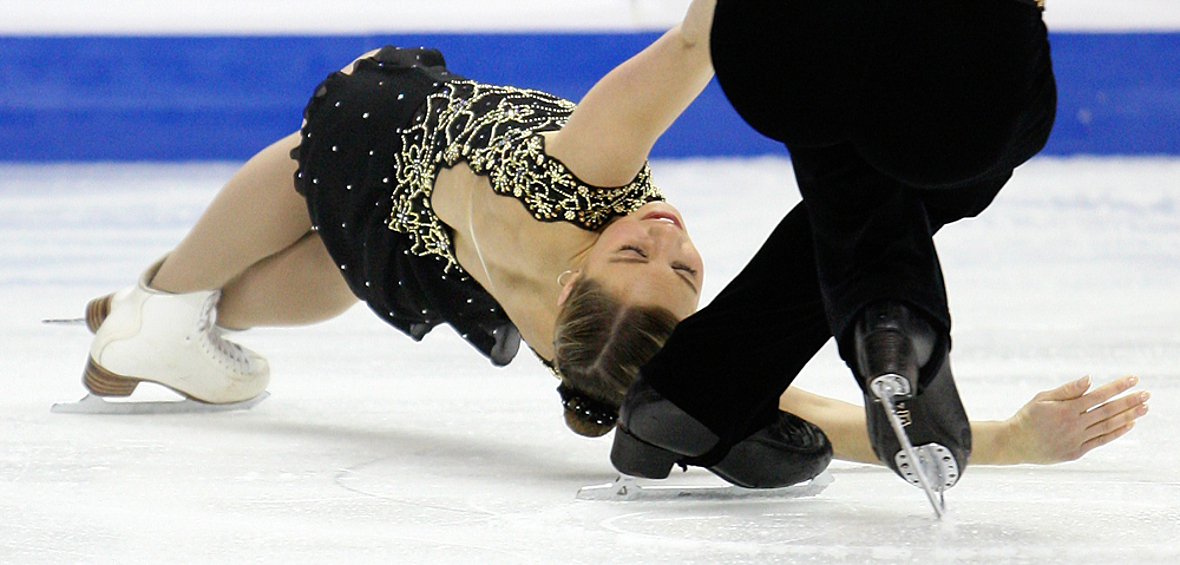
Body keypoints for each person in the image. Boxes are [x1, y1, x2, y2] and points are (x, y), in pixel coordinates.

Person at [77, 0, 1145, 484]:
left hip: (380, 147)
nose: (671, 237)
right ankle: (158, 311)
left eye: (641, 255)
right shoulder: (597, 353)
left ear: (579, 272)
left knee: (329, 225)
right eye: (683, 269)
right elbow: (799, 406)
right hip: (399, 189)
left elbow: (694, 42)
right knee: (331, 253)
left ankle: (164, 307)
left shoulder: (585, 171)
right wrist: (1004, 438)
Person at [609, 0, 1084, 493]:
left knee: (846, 159)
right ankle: (892, 319)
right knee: (951, 153)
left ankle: (703, 388)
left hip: (769, 51)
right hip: (952, 88)